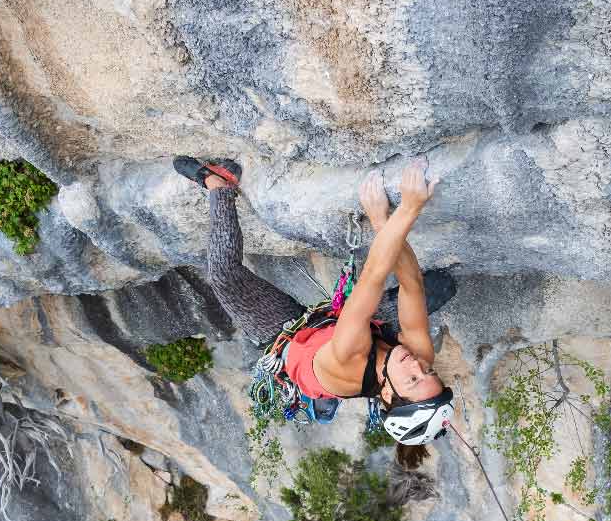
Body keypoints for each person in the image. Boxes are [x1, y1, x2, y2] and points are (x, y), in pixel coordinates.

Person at [173, 154, 455, 467]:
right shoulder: (415, 360)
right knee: (436, 287)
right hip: (346, 323)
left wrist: (409, 208)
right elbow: (411, 283)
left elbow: (373, 276)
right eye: (428, 373)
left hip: (287, 334)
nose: (418, 365)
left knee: (224, 276)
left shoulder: (348, 361)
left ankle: (218, 185)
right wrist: (380, 222)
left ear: (387, 395)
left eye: (413, 380)